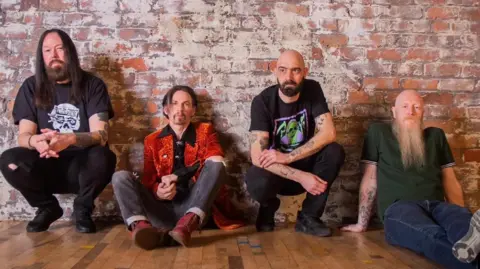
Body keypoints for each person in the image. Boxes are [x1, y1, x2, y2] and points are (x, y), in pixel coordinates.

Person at [342, 90, 480, 269]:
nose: (411, 111)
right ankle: (470, 261)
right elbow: (370, 178)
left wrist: (459, 210)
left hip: (437, 205)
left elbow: (450, 180)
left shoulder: (435, 136)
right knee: (428, 234)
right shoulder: (379, 133)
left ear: (423, 112)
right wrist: (362, 223)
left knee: (462, 223)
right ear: (394, 111)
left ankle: (469, 241)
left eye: (417, 107)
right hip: (398, 208)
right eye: (405, 106)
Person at [0, 29, 116, 233]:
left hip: (82, 167)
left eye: (59, 49)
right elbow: (24, 136)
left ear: (69, 52)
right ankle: (47, 208)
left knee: (104, 155)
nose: (53, 55)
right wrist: (37, 141)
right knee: (9, 160)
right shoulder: (31, 86)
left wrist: (70, 139)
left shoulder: (92, 85)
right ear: (41, 56)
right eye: (47, 50)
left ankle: (83, 209)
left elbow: (102, 135)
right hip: (46, 165)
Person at [112, 85, 245, 250]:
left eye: (186, 104)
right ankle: (141, 228)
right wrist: (157, 191)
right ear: (166, 109)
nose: (180, 109)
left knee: (217, 164)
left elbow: (215, 160)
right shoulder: (152, 140)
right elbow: (148, 180)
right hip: (161, 211)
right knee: (120, 177)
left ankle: (183, 227)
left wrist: (178, 176)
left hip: (195, 208)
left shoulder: (205, 131)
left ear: (193, 110)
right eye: (174, 104)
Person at [245, 50, 345, 237]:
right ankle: (268, 207)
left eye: (295, 71)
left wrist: (289, 157)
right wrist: (300, 177)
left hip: (305, 166)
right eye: (282, 70)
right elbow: (257, 157)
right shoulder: (262, 102)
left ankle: (308, 217)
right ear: (275, 70)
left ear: (305, 72)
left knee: (334, 151)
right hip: (277, 175)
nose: (288, 77)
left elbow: (329, 132)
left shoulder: (313, 89)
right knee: (257, 180)